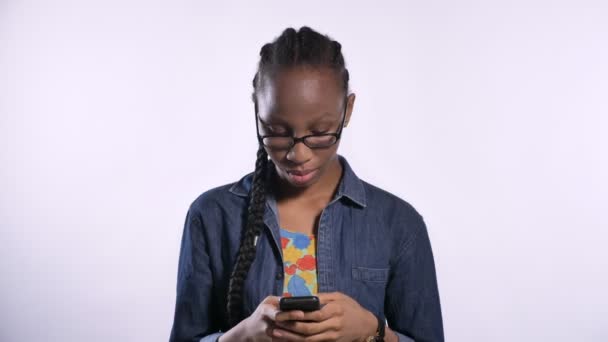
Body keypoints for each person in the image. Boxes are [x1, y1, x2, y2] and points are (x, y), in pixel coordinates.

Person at [169, 26, 444, 342]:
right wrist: (240, 336)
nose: (297, 154)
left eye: (320, 132)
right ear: (256, 113)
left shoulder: (399, 223)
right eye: (276, 130)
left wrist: (375, 331)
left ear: (348, 111)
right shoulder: (212, 215)